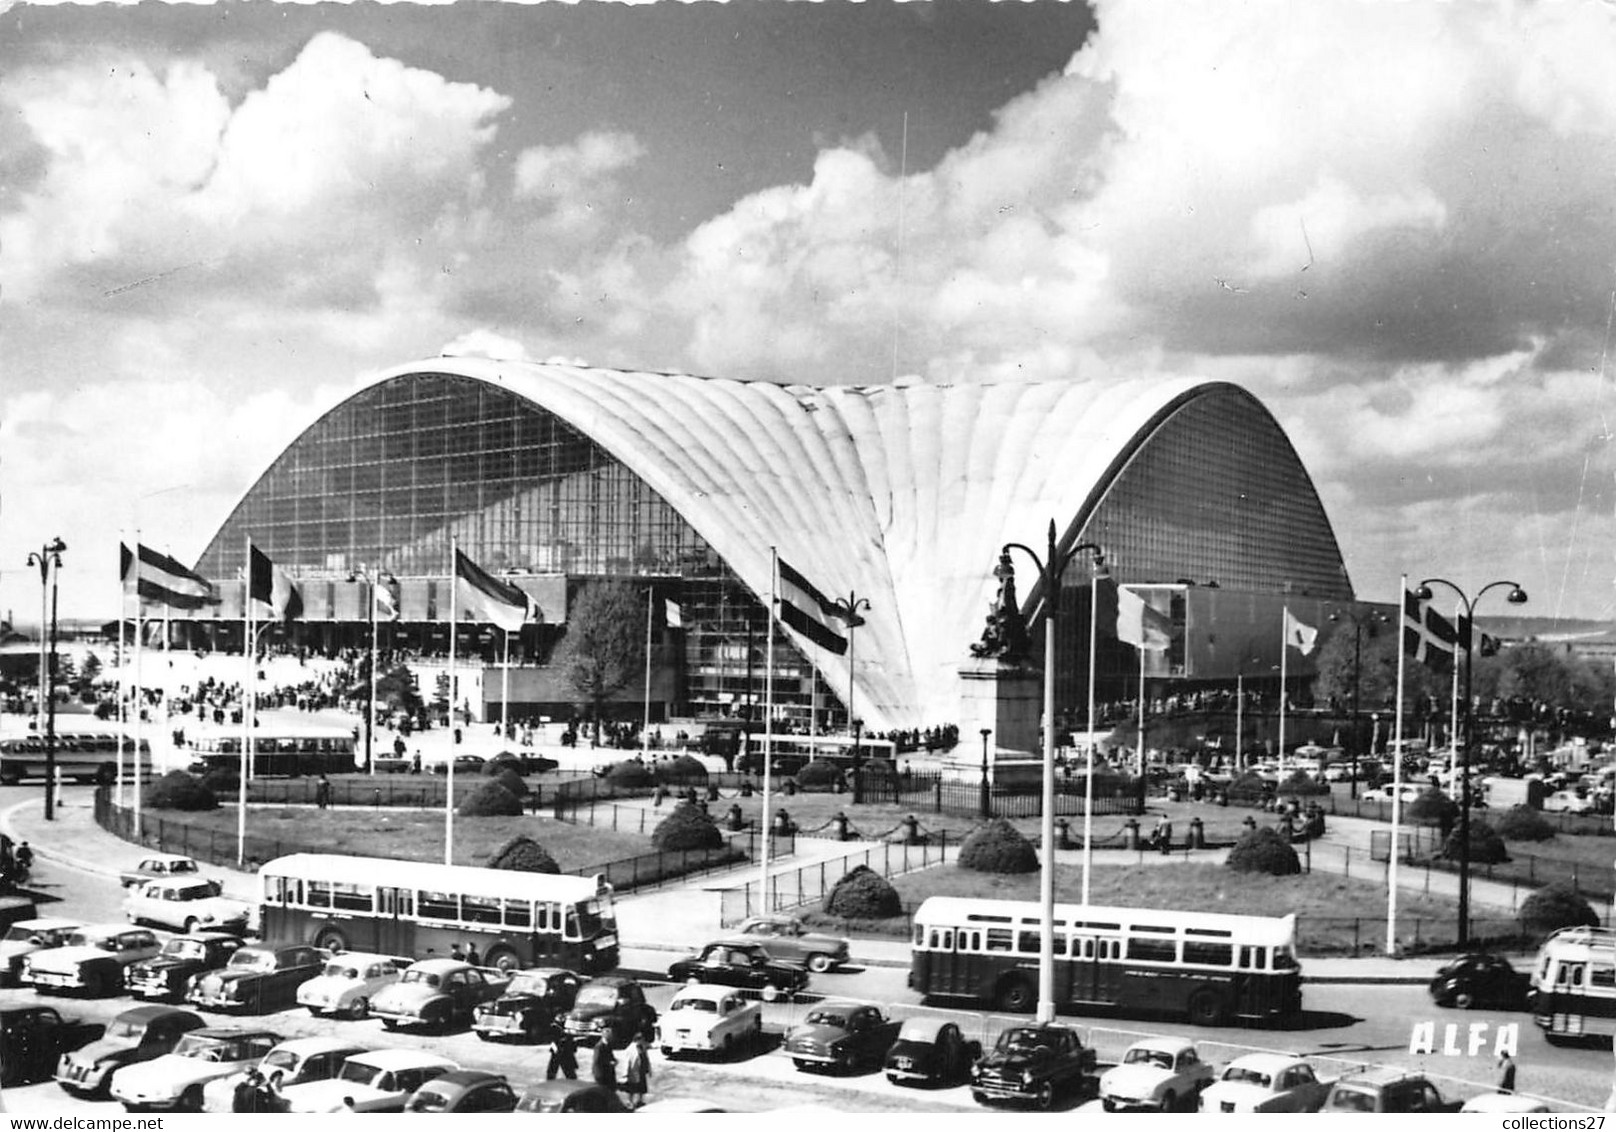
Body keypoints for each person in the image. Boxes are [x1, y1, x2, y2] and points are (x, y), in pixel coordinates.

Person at [622, 1034, 651, 1110]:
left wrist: (648, 1069)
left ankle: (640, 1101)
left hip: (641, 1070)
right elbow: (627, 1061)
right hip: (633, 1070)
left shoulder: (642, 1047)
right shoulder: (631, 1048)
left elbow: (646, 1058)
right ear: (637, 1040)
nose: (642, 1041)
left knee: (642, 1086)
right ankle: (630, 1102)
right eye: (641, 1040)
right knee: (632, 1087)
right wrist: (625, 1072)